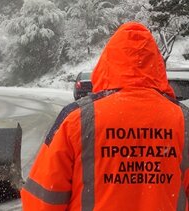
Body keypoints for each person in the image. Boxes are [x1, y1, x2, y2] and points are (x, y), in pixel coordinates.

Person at [20, 22, 189, 210]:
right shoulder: (183, 120)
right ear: (156, 64)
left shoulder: (76, 118)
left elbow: (43, 199)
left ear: (107, 61)